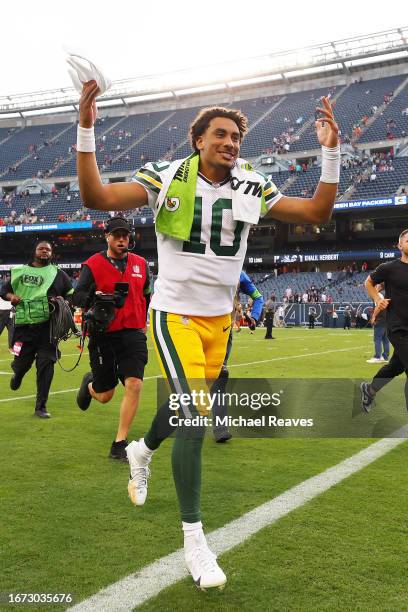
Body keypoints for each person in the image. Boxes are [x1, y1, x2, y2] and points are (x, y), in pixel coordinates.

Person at [76, 78, 339, 589]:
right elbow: (96, 195)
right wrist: (86, 128)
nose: (230, 142)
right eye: (220, 134)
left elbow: (317, 213)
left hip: (221, 321)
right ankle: (195, 543)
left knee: (182, 407)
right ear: (198, 140)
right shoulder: (168, 176)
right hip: (174, 313)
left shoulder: (251, 183)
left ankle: (141, 450)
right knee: (196, 413)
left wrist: (330, 155)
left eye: (236, 136)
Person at [72, 216, 150, 461]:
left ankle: (120, 442)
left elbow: (148, 294)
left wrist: (145, 320)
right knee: (105, 395)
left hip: (133, 333)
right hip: (103, 334)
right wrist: (97, 298)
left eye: (125, 235)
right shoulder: (92, 264)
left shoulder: (141, 264)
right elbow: (77, 297)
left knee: (134, 384)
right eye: (116, 235)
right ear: (107, 236)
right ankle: (90, 385)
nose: (121, 239)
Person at [1, 241, 73, 418]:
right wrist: (12, 297)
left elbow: (71, 294)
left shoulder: (59, 274)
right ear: (34, 251)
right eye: (41, 248)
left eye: (48, 249)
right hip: (24, 327)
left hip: (49, 329)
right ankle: (17, 374)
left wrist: (66, 303)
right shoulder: (20, 271)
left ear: (52, 253)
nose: (44, 252)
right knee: (21, 364)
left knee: (46, 364)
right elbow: (4, 290)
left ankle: (40, 407)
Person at [211, 270, 263, 443]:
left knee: (220, 376)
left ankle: (220, 429)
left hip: (224, 333)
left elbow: (258, 297)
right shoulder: (205, 265)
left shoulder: (239, 274)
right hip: (197, 330)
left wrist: (254, 317)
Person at [361, 230, 408, 412]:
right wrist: (378, 299)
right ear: (400, 245)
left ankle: (370, 390)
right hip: (398, 329)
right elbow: (368, 282)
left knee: (395, 366)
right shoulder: (389, 268)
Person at [366, 284, 389, 364]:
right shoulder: (382, 295)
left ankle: (377, 357)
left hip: (380, 320)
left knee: (377, 339)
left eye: (376, 286)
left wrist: (373, 317)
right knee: (385, 340)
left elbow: (378, 307)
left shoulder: (378, 295)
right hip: (386, 320)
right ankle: (385, 357)